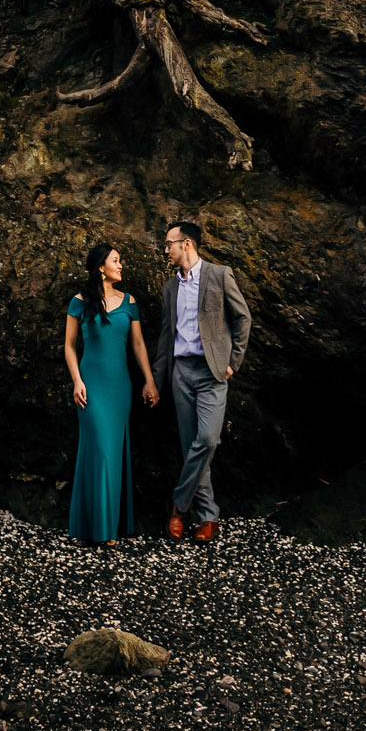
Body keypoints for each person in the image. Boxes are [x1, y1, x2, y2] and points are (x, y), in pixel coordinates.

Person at [151, 219, 252, 545]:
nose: (165, 250)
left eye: (169, 244)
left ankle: (179, 505)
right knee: (191, 446)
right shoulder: (170, 288)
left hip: (211, 374)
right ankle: (208, 518)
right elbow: (166, 338)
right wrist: (155, 380)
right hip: (181, 373)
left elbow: (242, 317)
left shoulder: (219, 275)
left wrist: (232, 362)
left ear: (187, 244)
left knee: (207, 440)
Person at [64, 240, 159, 544]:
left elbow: (139, 345)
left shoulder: (129, 301)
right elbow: (68, 346)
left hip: (120, 389)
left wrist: (149, 380)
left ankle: (101, 529)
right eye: (116, 261)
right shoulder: (79, 301)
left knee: (111, 453)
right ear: (101, 267)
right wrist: (77, 381)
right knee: (98, 451)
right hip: (90, 386)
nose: (121, 266)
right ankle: (94, 528)